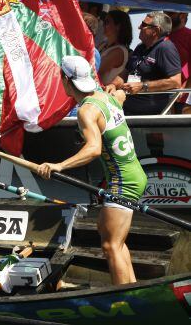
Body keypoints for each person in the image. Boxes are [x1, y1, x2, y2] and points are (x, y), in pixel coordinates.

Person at [39, 55, 147, 285]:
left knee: (110, 245)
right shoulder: (106, 98)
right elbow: (120, 94)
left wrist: (59, 165)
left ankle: (124, 302)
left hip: (123, 181)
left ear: (66, 80)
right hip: (134, 174)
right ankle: (132, 289)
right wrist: (117, 86)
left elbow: (94, 149)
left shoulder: (87, 111)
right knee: (112, 237)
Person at [106, 12, 181, 115]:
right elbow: (126, 72)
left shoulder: (166, 48)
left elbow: (176, 82)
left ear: (156, 31)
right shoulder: (140, 47)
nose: (139, 27)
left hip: (151, 116)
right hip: (128, 110)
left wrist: (143, 86)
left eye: (143, 25)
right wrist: (113, 85)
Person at [98, 10, 132, 86]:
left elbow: (96, 69)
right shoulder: (103, 44)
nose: (103, 25)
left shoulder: (119, 51)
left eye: (107, 22)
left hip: (103, 94)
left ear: (118, 26)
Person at [166, 11, 191, 86]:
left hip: (179, 93)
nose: (165, 16)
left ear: (182, 16)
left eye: (169, 13)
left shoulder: (189, 37)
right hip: (157, 93)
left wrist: (183, 91)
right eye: (164, 12)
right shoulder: (159, 35)